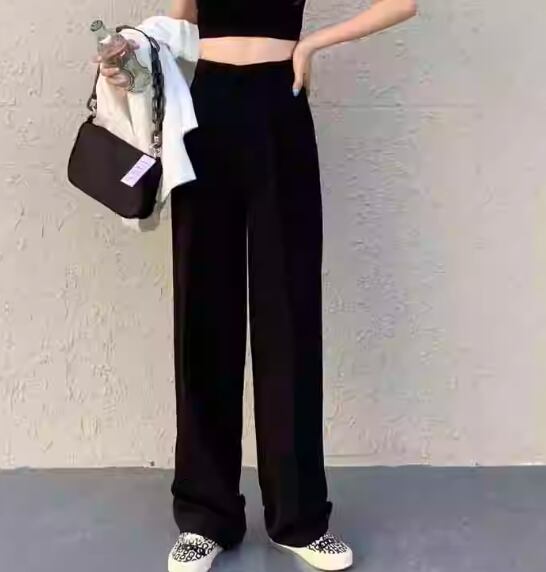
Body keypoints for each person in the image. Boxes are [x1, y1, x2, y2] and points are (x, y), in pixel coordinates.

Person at [96, 0, 417, 570]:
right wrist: (130, 57)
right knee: (203, 313)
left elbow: (404, 3)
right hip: (205, 111)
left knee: (289, 310)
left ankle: (299, 518)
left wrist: (312, 44)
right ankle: (205, 517)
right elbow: (178, 29)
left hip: (279, 105)